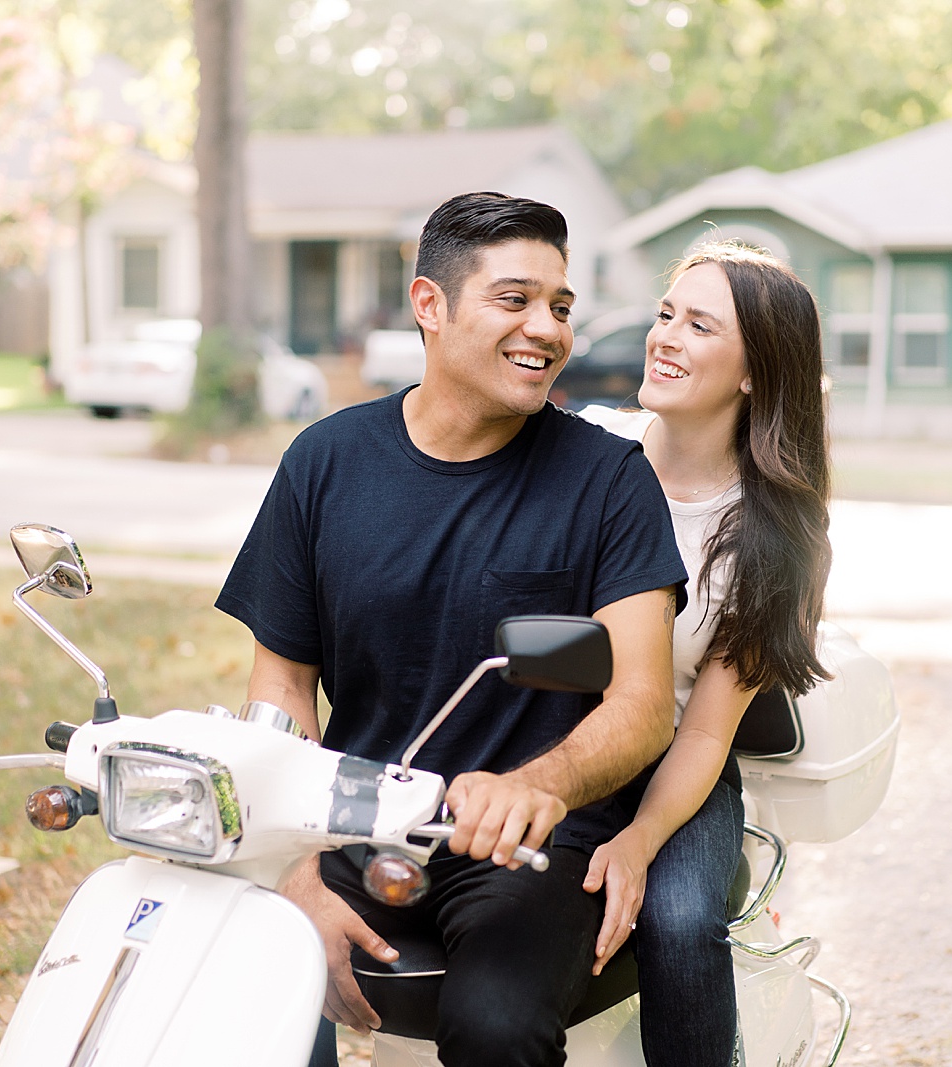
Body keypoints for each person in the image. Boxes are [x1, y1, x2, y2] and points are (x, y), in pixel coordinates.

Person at [215, 191, 689, 1067]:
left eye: (560, 306)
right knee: (241, 985)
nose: (545, 328)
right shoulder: (324, 461)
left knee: (497, 1026)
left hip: (528, 848)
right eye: (514, 299)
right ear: (429, 305)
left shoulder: (609, 478)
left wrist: (539, 784)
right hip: (358, 825)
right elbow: (280, 685)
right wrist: (295, 862)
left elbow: (644, 701)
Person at [577, 241, 834, 1067]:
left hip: (677, 766)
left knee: (680, 916)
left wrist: (640, 839)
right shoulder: (585, 452)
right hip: (553, 743)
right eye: (664, 315)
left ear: (756, 370)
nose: (665, 337)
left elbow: (704, 734)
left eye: (698, 325)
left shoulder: (771, 537)